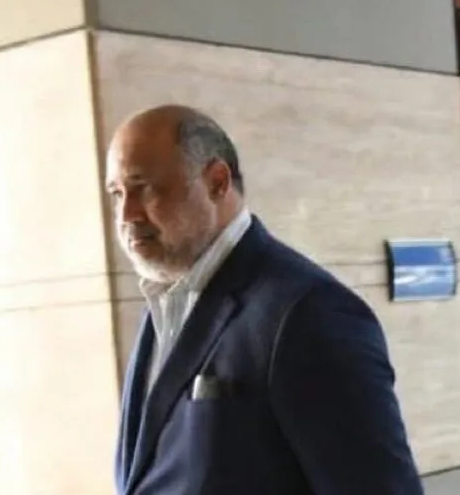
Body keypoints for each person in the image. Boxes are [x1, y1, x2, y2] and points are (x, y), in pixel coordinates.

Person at [108, 105, 423, 495]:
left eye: (145, 188)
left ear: (217, 182)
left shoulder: (310, 312)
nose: (127, 214)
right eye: (117, 194)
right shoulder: (163, 303)